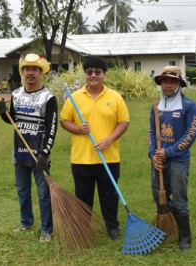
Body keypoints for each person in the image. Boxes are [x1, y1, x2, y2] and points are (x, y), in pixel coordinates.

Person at [60, 56, 130, 241]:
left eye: (97, 72)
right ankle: (82, 227)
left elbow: (124, 122)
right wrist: (78, 129)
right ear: (85, 75)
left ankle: (112, 227)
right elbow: (64, 121)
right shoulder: (74, 98)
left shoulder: (115, 97)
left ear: (104, 75)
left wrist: (109, 140)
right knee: (83, 196)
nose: (93, 75)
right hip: (82, 158)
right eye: (89, 72)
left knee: (109, 195)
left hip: (109, 157)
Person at [0, 53, 57, 242]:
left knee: (43, 193)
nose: (30, 73)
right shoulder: (16, 94)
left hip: (39, 153)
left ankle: (47, 229)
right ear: (22, 72)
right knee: (22, 190)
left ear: (41, 73)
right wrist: (3, 113)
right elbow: (14, 121)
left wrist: (45, 154)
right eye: (27, 69)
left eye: (34, 69)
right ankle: (26, 222)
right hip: (20, 151)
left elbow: (52, 127)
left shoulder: (49, 97)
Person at [148, 65, 196, 251]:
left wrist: (168, 152)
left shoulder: (189, 105)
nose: (168, 85)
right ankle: (167, 229)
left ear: (179, 83)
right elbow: (151, 132)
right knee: (159, 197)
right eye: (165, 81)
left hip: (178, 161)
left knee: (178, 199)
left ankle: (185, 237)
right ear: (161, 83)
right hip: (158, 161)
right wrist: (153, 153)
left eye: (172, 81)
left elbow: (191, 134)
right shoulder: (156, 105)